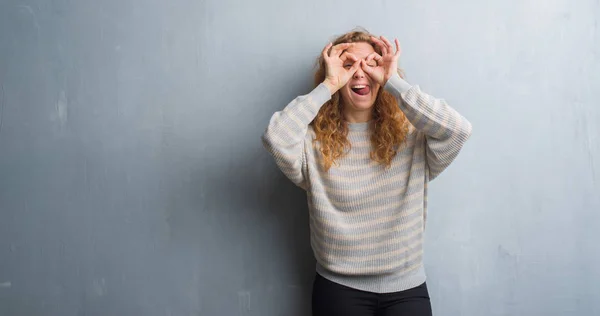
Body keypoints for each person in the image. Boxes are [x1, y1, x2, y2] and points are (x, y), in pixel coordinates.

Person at [261, 29, 472, 316]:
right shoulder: (311, 144)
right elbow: (276, 137)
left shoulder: (413, 137)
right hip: (338, 290)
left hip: (406, 289)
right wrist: (328, 85)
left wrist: (393, 82)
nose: (360, 74)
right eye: (348, 65)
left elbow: (458, 131)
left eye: (370, 64)